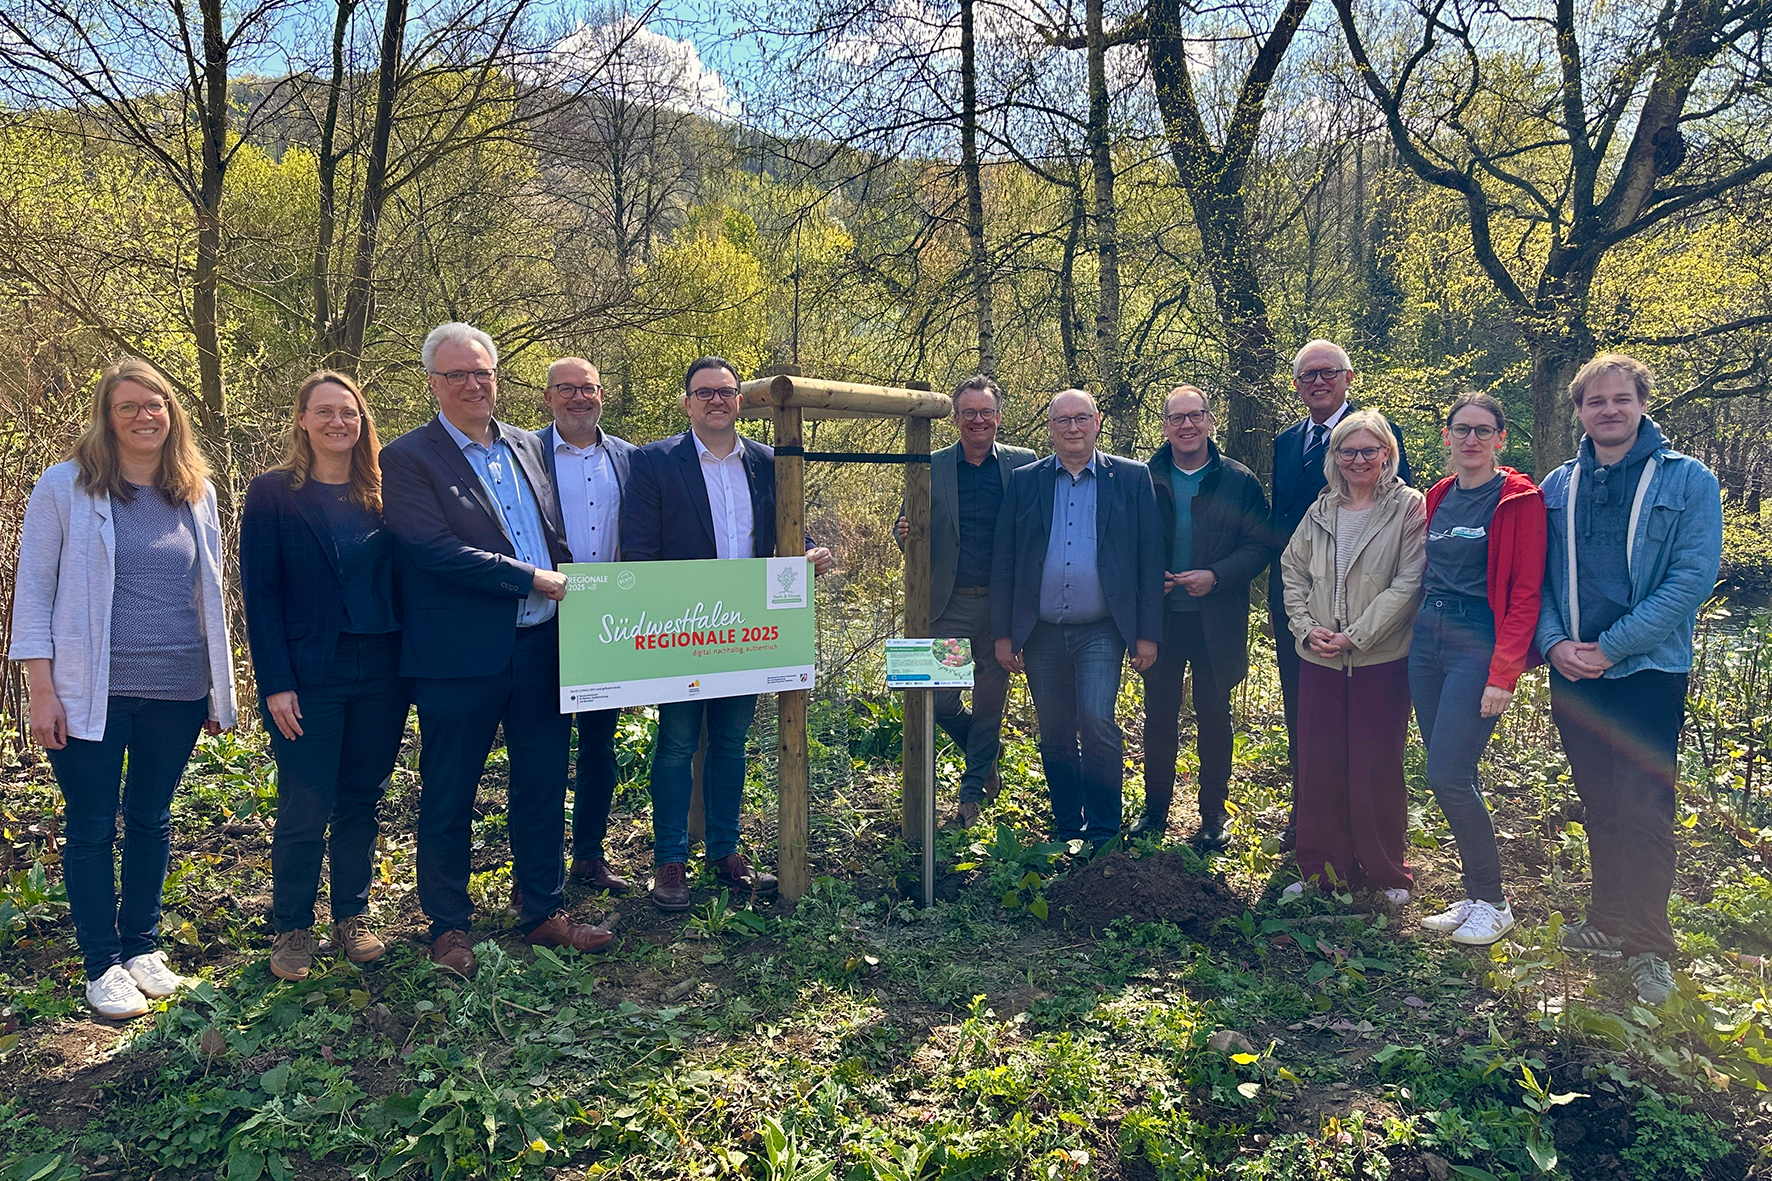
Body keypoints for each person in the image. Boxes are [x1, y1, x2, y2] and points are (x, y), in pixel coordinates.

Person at [380, 322, 613, 977]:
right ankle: (448, 926)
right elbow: (431, 550)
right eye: (458, 374)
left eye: (483, 372)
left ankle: (540, 908)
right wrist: (527, 577)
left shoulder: (526, 446)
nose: (475, 384)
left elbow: (551, 533)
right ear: (432, 383)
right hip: (459, 656)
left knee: (542, 782)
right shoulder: (408, 457)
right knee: (449, 792)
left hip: (541, 646)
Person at [10, 359, 237, 1019]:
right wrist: (41, 691)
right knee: (89, 824)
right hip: (89, 691)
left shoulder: (196, 490)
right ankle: (101, 963)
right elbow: (34, 593)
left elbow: (211, 596)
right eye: (129, 406)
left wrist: (219, 690)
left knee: (151, 816)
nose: (145, 415)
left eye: (157, 403)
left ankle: (141, 946)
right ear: (106, 418)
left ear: (173, 413)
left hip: (176, 688)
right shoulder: (66, 487)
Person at [1536, 353, 1721, 1005]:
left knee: (1644, 808)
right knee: (1599, 801)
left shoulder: (1688, 482)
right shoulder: (1557, 486)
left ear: (1643, 403)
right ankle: (1607, 921)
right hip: (1573, 671)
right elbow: (1541, 575)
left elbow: (1691, 579)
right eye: (1595, 400)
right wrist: (1555, 642)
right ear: (1580, 410)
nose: (1608, 409)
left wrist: (1610, 648)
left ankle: (1649, 945)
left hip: (1646, 670)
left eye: (1621, 398)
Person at [620, 357, 836, 911]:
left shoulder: (766, 461)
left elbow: (787, 527)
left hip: (748, 632)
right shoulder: (654, 461)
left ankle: (724, 851)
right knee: (675, 743)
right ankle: (669, 859)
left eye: (727, 391)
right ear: (687, 403)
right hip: (683, 629)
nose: (717, 400)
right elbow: (640, 549)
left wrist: (806, 553)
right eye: (704, 392)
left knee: (731, 743)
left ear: (741, 401)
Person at [241, 371, 411, 981]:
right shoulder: (271, 494)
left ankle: (351, 917)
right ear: (303, 421)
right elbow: (259, 596)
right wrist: (275, 681)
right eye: (325, 412)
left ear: (363, 421)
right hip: (310, 674)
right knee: (306, 801)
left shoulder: (385, 493)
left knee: (362, 799)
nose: (339, 422)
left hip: (383, 669)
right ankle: (291, 927)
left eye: (350, 412)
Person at [991, 389, 1164, 845]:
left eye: (1081, 418)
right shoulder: (1026, 481)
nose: (1072, 428)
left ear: (1097, 422)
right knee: (1055, 731)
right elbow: (1005, 561)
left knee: (1096, 720)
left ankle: (1104, 830)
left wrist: (1147, 635)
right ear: (1050, 427)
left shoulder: (1130, 477)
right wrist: (1004, 634)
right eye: (1062, 420)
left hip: (1102, 629)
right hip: (1041, 631)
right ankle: (1069, 824)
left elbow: (1150, 560)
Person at [1410, 393, 1544, 947]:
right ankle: (1474, 894)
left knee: (1447, 775)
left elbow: (1527, 592)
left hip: (1477, 643)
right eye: (1461, 429)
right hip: (1427, 639)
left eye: (1483, 431)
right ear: (1446, 436)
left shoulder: (1519, 499)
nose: (1471, 440)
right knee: (1452, 772)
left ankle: (1494, 900)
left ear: (1500, 439)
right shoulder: (1438, 496)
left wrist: (1503, 673)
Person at [1279, 408, 1425, 902]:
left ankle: (1385, 871)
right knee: (1318, 762)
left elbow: (1409, 583)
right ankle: (1323, 869)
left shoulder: (1409, 507)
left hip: (1379, 659)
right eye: (1348, 450)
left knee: (1375, 764)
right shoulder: (1321, 509)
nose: (1358, 459)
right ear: (1334, 457)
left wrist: (1355, 636)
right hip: (1319, 656)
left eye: (1369, 449)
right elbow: (1292, 572)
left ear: (1387, 452)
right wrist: (1306, 629)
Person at [1270, 341, 1411, 841]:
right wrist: (1303, 622)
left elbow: (1401, 555)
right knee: (1309, 727)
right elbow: (1284, 537)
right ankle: (1309, 822)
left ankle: (1366, 839)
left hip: (1374, 634)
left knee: (1372, 742)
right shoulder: (1286, 443)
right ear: (1296, 385)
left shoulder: (1378, 436)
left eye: (1328, 372)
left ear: (1348, 377)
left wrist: (1356, 631)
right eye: (1308, 375)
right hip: (1306, 619)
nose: (1318, 382)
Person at [893, 375, 1036, 827]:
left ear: (998, 416)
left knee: (992, 700)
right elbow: (909, 531)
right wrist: (902, 533)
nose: (979, 420)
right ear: (955, 418)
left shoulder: (1023, 465)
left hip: (1001, 607)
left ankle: (972, 792)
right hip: (949, 605)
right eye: (969, 412)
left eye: (986, 412)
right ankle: (985, 750)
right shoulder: (930, 466)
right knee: (939, 699)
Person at [1137, 385, 1274, 846]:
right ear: (1164, 427)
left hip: (1218, 620)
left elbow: (1261, 545)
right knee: (1158, 717)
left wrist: (1215, 575)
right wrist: (1142, 579)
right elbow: (1119, 541)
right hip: (1159, 621)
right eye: (1176, 418)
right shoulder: (1143, 478)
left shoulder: (1238, 480)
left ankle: (1213, 815)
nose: (1187, 426)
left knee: (1214, 717)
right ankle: (1154, 810)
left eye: (1195, 416)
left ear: (1210, 421)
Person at [537, 357, 639, 893]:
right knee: (545, 748)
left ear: (602, 394)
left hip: (609, 625)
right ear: (548, 396)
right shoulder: (524, 455)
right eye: (567, 389)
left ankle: (589, 855)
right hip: (542, 619)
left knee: (600, 746)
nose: (580, 398)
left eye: (589, 388)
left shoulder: (630, 458)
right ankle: (540, 864)